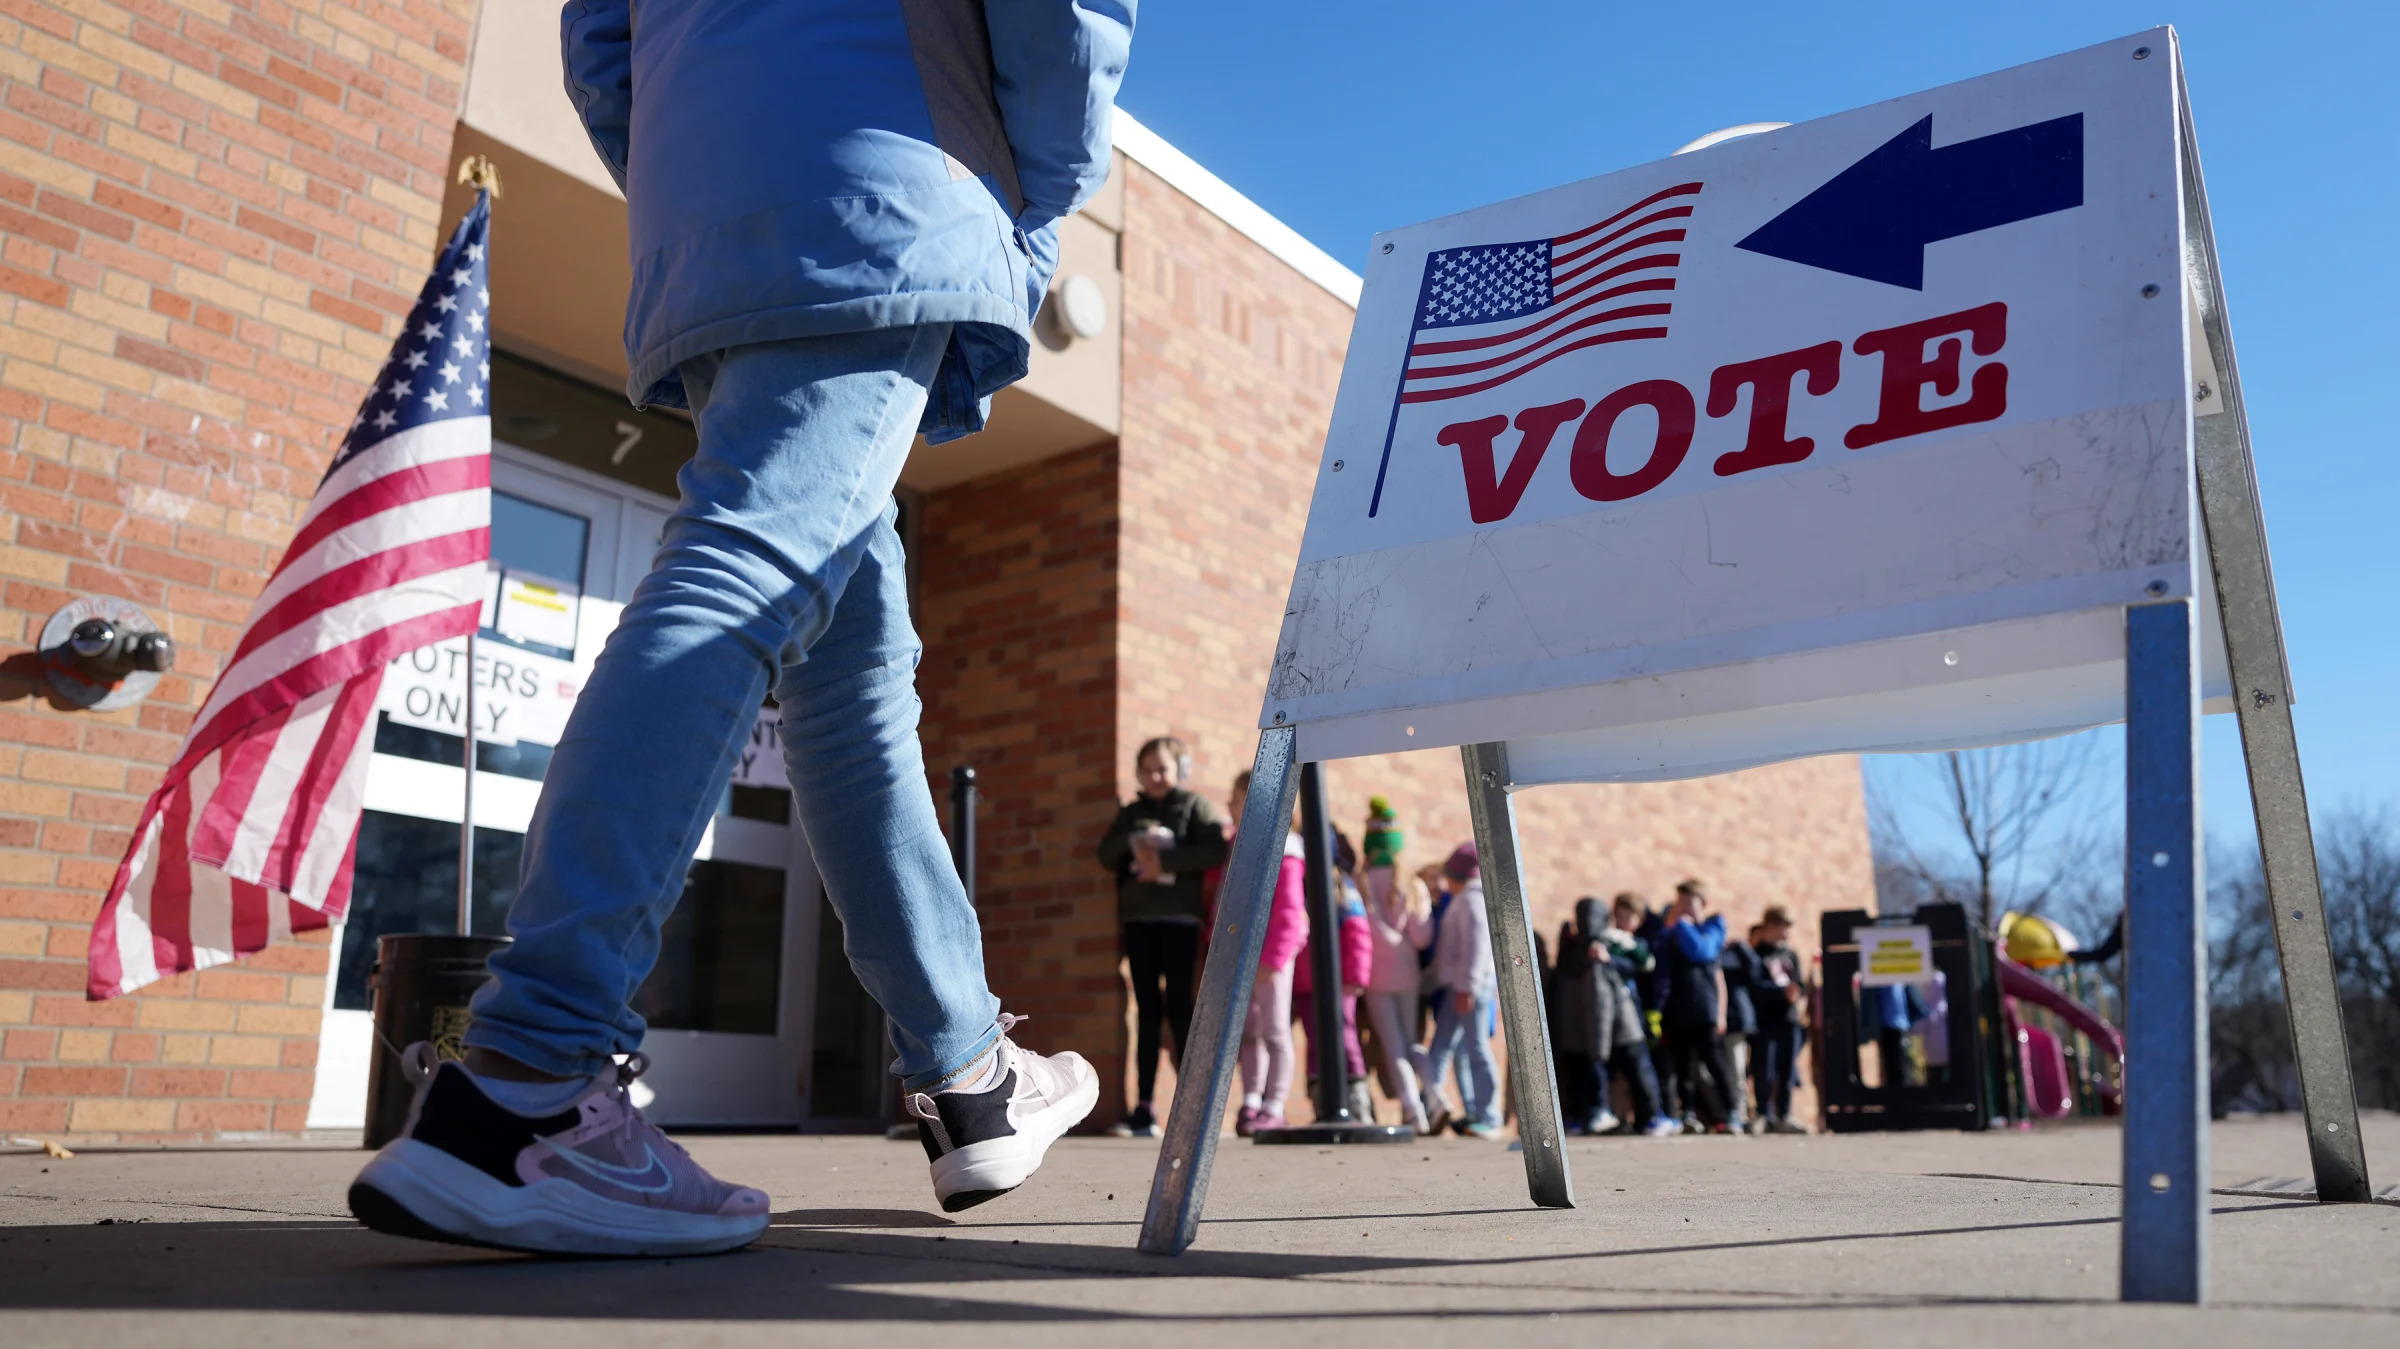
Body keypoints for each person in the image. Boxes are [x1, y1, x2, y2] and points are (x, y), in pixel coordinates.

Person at [349, 2, 1136, 1255]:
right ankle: (525, 1081)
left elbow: (597, 42)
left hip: (710, 209)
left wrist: (705, 164)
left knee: (853, 675)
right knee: (744, 568)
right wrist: (1032, 199)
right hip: (896, 176)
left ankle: (967, 1066)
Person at [1095, 736, 1229, 1137]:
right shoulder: (1132, 811)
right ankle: (1144, 1107)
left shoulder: (1193, 805)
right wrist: (1136, 835)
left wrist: (1167, 858)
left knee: (1181, 1010)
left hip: (1181, 921)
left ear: (1180, 770)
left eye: (1163, 768)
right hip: (1140, 921)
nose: (1155, 776)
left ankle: (1194, 1107)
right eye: (1148, 769)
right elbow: (1105, 855)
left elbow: (1214, 849)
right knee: (1147, 1012)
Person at [1236, 775, 1309, 1136]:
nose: (1235, 809)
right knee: (1249, 1031)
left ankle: (1274, 1104)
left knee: (1276, 1030)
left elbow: (1290, 913)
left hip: (1271, 959)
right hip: (1244, 955)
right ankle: (1251, 1100)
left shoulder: (1287, 849)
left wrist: (1275, 958)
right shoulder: (1241, 846)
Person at [1358, 801, 1435, 1131]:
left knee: (1393, 1046)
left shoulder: (1360, 883)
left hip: (1375, 975)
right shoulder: (1413, 884)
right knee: (1411, 1041)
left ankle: (1412, 1108)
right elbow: (1422, 937)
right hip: (1408, 974)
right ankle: (1436, 1095)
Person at [1294, 829, 1375, 1124]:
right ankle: (1322, 1103)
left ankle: (1357, 1104)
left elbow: (1358, 935)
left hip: (1341, 982)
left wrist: (1356, 977)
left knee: (1346, 1036)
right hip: (1306, 983)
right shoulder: (1299, 885)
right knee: (1315, 1042)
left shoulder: (1342, 886)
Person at [1422, 843, 1502, 1138]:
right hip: (1460, 986)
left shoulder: (1471, 901)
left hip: (1470, 989)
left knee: (1476, 1049)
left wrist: (1467, 986)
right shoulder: (1464, 900)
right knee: (1443, 1048)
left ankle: (1489, 1116)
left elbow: (1477, 948)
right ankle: (1430, 1107)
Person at [1657, 879, 1747, 1132]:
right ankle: (1689, 1115)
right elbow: (1659, 953)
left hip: (1705, 1010)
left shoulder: (1713, 926)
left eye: (1689, 903)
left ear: (1703, 905)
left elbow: (1702, 951)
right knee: (1684, 1067)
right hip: (1677, 1011)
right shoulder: (1672, 932)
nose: (1684, 908)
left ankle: (1732, 1113)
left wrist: (1683, 926)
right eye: (1680, 903)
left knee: (1716, 1063)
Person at [1750, 906, 1809, 1133]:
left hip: (1790, 1018)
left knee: (1787, 1068)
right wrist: (1778, 992)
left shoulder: (1790, 954)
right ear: (1770, 926)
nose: (1786, 933)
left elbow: (1800, 983)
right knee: (1764, 1067)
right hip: (1766, 1019)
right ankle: (1764, 1114)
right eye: (1782, 927)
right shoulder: (1757, 953)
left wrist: (1797, 992)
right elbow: (1754, 986)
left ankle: (1784, 1114)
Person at [1721, 922, 1765, 1131]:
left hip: (1735, 1020)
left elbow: (1755, 972)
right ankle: (1728, 1112)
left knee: (1737, 1070)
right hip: (1713, 1021)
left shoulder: (1736, 954)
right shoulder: (1711, 953)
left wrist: (1742, 947)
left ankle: (1740, 1113)